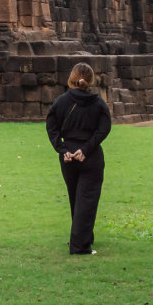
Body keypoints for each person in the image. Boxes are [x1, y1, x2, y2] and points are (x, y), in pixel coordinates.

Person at [45, 62, 110, 255]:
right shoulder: (98, 103)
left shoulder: (61, 101)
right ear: (90, 81)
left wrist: (63, 149)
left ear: (70, 79)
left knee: (77, 198)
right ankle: (80, 246)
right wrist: (86, 149)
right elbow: (104, 128)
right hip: (89, 155)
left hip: (68, 156)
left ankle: (82, 237)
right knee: (87, 199)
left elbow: (51, 126)